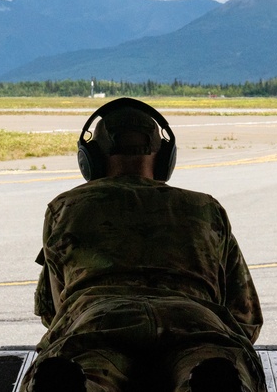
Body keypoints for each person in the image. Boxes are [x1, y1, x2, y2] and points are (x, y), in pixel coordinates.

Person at [22, 97, 264, 392]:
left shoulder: (66, 207)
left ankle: (89, 380)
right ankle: (198, 372)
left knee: (85, 370)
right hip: (192, 320)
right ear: (164, 157)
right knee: (210, 364)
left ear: (91, 158)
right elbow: (244, 315)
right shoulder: (204, 207)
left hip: (100, 318)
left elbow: (53, 311)